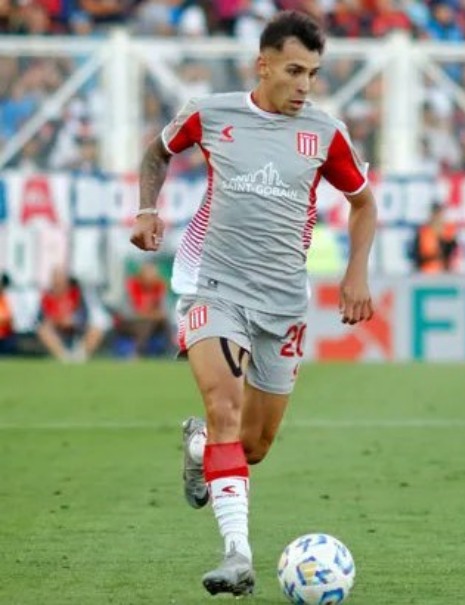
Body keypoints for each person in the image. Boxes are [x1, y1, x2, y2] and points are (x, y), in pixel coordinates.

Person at [129, 11, 377, 597]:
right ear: (262, 64)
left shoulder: (325, 133)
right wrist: (146, 209)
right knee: (225, 407)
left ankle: (198, 447)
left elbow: (364, 204)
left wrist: (355, 275)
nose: (304, 85)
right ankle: (237, 554)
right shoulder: (211, 113)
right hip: (213, 285)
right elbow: (156, 153)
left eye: (313, 73)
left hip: (283, 303)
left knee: (254, 445)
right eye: (294, 70)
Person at [36, 267, 109, 362]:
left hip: (76, 332)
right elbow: (40, 320)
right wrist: (57, 321)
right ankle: (64, 357)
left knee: (97, 329)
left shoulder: (75, 294)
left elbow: (84, 316)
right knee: (43, 331)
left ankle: (79, 357)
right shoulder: (46, 297)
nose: (58, 283)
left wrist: (73, 321)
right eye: (56, 279)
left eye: (61, 279)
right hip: (57, 333)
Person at [120, 261, 170, 357]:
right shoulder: (133, 285)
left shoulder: (159, 285)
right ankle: (137, 353)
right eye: (148, 273)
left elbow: (164, 311)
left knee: (165, 321)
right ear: (142, 274)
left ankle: (171, 351)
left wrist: (151, 314)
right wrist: (151, 314)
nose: (152, 277)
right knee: (145, 324)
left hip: (153, 321)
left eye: (154, 274)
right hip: (128, 322)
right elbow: (132, 313)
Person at [411, 202, 458, 273]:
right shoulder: (423, 232)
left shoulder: (449, 232)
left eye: (439, 213)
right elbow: (417, 256)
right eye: (435, 213)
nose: (437, 216)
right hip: (426, 272)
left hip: (445, 274)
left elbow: (451, 253)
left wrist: (442, 238)